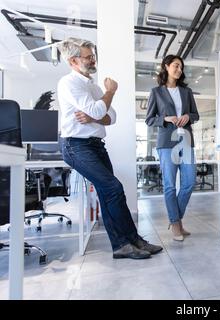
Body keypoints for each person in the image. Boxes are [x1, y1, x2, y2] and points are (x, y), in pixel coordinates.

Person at [57, 38, 163, 259]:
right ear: (73, 61)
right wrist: (110, 92)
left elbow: (110, 116)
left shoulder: (93, 86)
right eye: (88, 56)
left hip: (95, 144)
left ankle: (131, 241)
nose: (92, 59)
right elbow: (99, 112)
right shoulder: (69, 83)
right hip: (75, 145)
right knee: (113, 189)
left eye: (93, 55)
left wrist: (96, 113)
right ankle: (123, 243)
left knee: (110, 193)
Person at [145, 55, 199, 241]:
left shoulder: (187, 92)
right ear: (166, 67)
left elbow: (196, 115)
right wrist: (165, 119)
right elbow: (149, 119)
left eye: (181, 67)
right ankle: (176, 224)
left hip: (186, 140)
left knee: (190, 182)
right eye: (176, 66)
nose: (179, 70)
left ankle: (175, 219)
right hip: (167, 143)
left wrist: (187, 117)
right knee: (169, 185)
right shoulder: (156, 92)